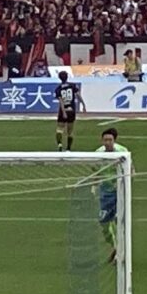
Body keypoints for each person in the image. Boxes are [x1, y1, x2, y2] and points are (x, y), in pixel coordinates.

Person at [94, 128, 130, 263]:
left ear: (114, 140)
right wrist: (94, 186)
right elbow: (95, 171)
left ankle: (120, 253)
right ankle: (115, 246)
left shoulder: (122, 152)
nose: (107, 142)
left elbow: (131, 170)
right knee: (103, 222)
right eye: (105, 140)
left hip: (120, 192)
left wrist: (126, 186)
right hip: (105, 192)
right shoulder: (98, 154)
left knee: (118, 221)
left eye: (110, 140)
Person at [54, 71, 86, 151]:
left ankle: (60, 144)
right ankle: (68, 148)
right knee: (70, 131)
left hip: (63, 110)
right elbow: (78, 95)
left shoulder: (58, 88)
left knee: (59, 129)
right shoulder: (72, 85)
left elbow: (61, 101)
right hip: (72, 109)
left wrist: (64, 112)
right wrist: (83, 104)